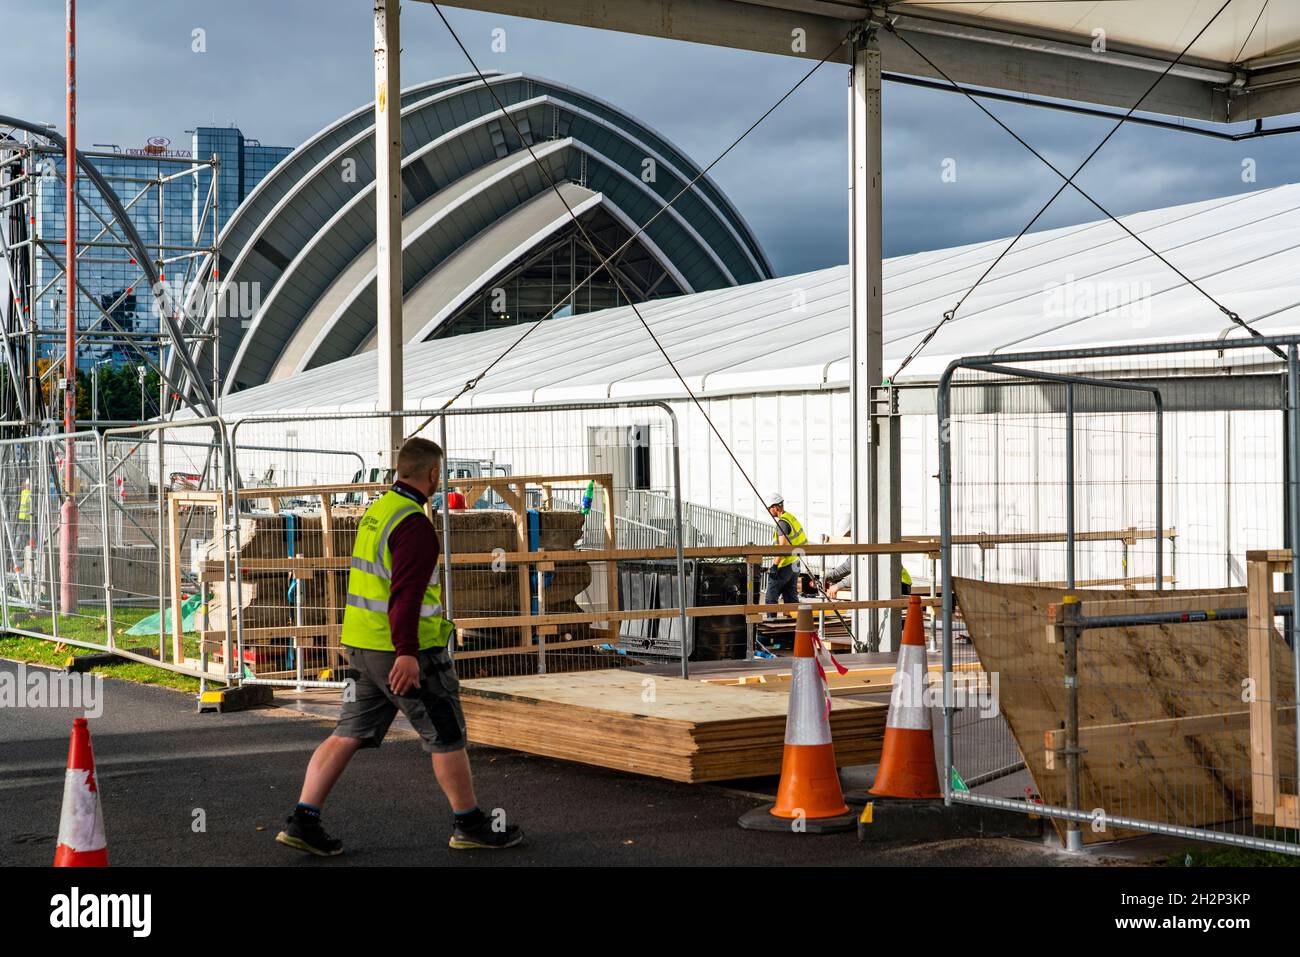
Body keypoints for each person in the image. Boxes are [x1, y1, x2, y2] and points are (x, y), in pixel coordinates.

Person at [276, 437, 523, 856]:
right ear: (432, 475)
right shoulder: (414, 525)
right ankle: (470, 824)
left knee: (348, 733)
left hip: (363, 646)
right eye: (439, 475)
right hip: (406, 652)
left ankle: (303, 820)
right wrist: (407, 652)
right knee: (446, 734)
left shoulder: (378, 512)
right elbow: (405, 595)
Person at [823, 514, 910, 598]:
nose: (847, 539)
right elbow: (846, 567)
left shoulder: (870, 543)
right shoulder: (860, 544)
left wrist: (838, 586)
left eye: (847, 535)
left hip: (898, 584)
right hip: (887, 584)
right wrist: (826, 578)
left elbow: (865, 571)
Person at [763, 491, 806, 612]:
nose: (768, 511)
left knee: (771, 597)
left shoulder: (782, 523)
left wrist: (774, 566)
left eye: (768, 508)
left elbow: (783, 547)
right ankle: (796, 625)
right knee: (790, 595)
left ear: (775, 507)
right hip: (796, 563)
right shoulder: (790, 518)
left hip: (785, 565)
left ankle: (771, 625)